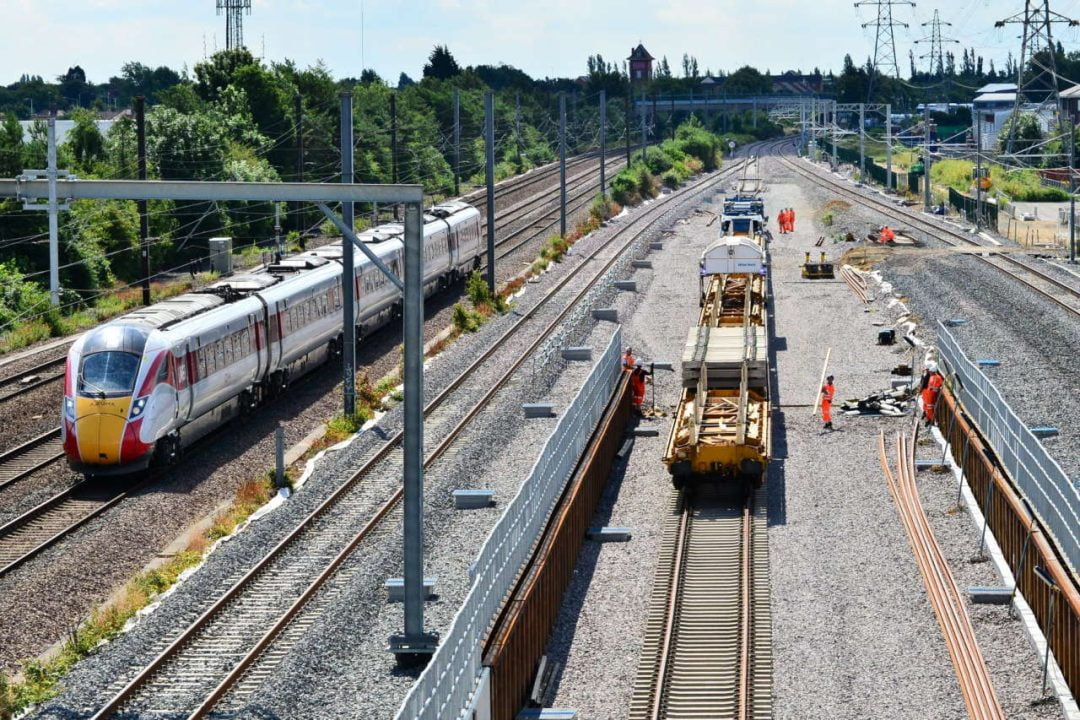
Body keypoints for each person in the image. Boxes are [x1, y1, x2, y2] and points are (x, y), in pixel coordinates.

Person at [920, 361, 944, 426]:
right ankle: (928, 417)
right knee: (927, 406)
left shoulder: (935, 377)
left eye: (929, 371)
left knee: (930, 407)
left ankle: (931, 420)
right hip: (928, 394)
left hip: (931, 395)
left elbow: (936, 387)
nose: (929, 372)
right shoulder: (931, 376)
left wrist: (932, 389)